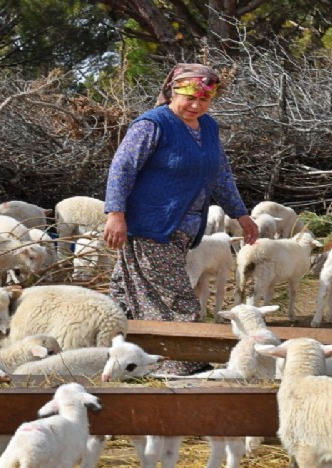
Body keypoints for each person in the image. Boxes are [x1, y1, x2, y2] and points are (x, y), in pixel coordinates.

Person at [102, 62, 259, 375]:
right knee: (176, 298)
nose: (196, 106)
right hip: (151, 226)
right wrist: (115, 214)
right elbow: (122, 168)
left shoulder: (208, 128)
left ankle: (119, 360)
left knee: (126, 293)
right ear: (173, 92)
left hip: (183, 230)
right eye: (190, 98)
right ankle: (184, 364)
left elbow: (221, 175)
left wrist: (241, 214)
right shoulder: (152, 125)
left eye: (204, 100)